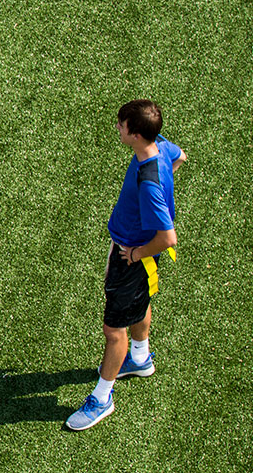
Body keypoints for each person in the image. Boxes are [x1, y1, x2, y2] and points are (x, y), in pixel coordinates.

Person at [67, 99, 186, 431]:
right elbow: (180, 157)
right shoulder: (160, 146)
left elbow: (168, 237)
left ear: (134, 134)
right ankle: (139, 357)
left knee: (112, 330)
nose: (117, 127)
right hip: (137, 255)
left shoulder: (148, 183)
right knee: (140, 301)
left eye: (121, 124)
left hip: (131, 256)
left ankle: (102, 398)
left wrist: (135, 253)